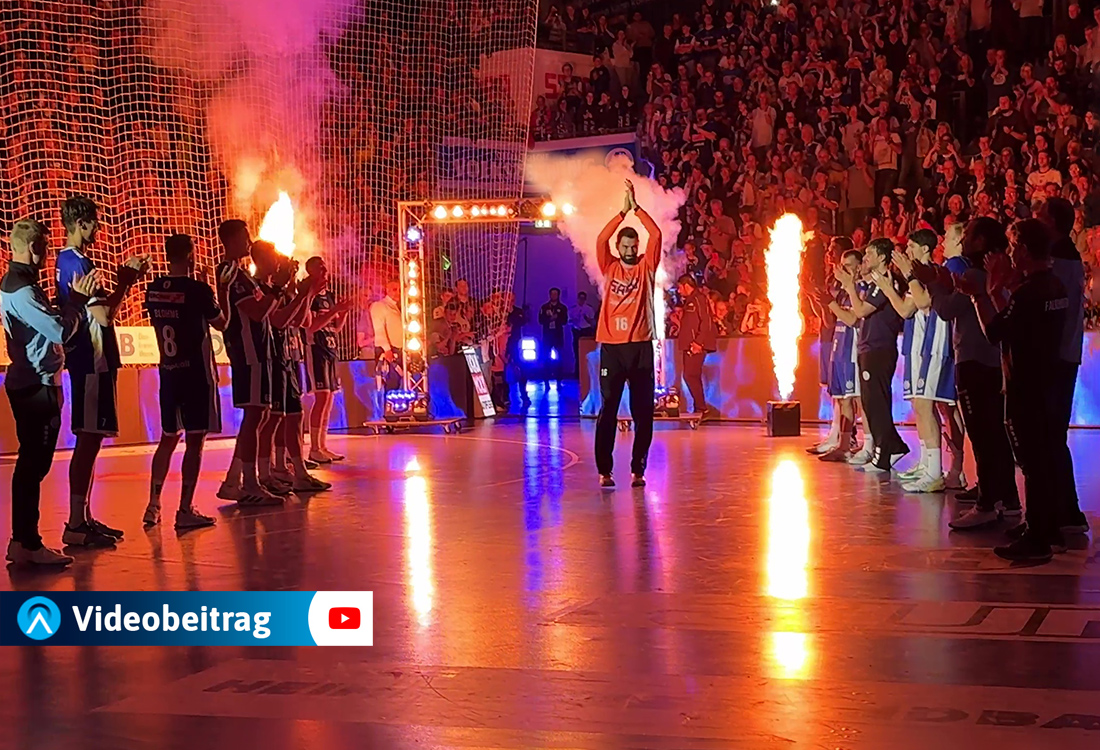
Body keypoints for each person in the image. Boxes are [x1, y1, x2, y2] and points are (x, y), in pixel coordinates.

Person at [971, 219, 1069, 563]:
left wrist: (983, 294)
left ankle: (1038, 538)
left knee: (1031, 462)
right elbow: (1019, 326)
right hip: (1047, 381)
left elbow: (995, 332)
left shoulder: (1029, 292)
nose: (1010, 253)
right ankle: (1047, 527)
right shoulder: (1054, 285)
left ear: (1024, 250)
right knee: (1044, 458)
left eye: (1013, 247)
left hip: (1025, 385)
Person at [55, 195, 150, 547]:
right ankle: (75, 522)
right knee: (88, 439)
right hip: (91, 360)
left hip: (90, 360)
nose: (98, 229)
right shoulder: (77, 262)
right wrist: (126, 281)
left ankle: (83, 517)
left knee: (91, 439)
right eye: (94, 222)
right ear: (81, 224)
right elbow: (104, 316)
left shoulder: (67, 260)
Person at [917, 219, 1023, 529]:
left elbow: (946, 310)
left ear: (981, 241)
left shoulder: (975, 275)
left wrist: (933, 284)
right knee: (994, 434)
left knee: (982, 434)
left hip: (975, 359)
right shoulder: (993, 272)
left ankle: (988, 503)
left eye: (968, 235)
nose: (963, 240)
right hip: (991, 360)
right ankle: (1006, 497)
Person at [2, 218, 97, 565]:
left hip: (33, 382)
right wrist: (77, 302)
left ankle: (22, 541)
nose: (46, 254)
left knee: (32, 464)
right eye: (43, 246)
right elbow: (59, 331)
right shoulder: (23, 291)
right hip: (35, 386)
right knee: (33, 465)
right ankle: (27, 543)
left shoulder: (18, 284)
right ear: (32, 248)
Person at [142, 234, 232, 529]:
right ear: (191, 256)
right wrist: (221, 290)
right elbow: (222, 323)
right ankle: (184, 508)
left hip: (169, 372)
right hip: (196, 375)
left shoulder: (153, 289)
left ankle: (153, 504)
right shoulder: (199, 290)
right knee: (195, 441)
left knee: (168, 438)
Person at [875, 229, 961, 492]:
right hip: (920, 346)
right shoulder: (918, 275)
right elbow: (908, 309)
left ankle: (938, 470)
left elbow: (915, 305)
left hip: (935, 346)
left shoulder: (931, 272)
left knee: (930, 406)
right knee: (922, 406)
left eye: (912, 247)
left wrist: (891, 287)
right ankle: (928, 464)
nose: (907, 252)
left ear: (925, 249)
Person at [594, 180, 661, 488]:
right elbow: (601, 238)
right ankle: (605, 471)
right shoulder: (609, 266)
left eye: (634, 246)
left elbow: (656, 234)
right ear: (618, 247)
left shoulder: (647, 266)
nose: (631, 251)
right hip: (612, 348)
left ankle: (638, 469)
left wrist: (637, 209)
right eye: (625, 246)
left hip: (641, 348)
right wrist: (622, 214)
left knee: (643, 412)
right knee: (608, 408)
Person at [250, 241, 330, 495]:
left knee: (294, 415)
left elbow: (302, 321)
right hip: (271, 358)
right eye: (278, 260)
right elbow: (280, 320)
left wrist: (307, 294)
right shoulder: (261, 288)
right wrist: (302, 294)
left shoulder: (282, 290)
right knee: (272, 419)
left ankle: (294, 470)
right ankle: (266, 472)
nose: (281, 264)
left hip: (288, 357)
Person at [216, 220, 282, 506]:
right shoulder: (229, 272)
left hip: (258, 351)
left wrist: (275, 288)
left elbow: (265, 311)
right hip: (248, 352)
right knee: (255, 414)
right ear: (231, 239)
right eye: (244, 236)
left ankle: (233, 480)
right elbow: (256, 312)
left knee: (261, 414)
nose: (249, 240)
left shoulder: (244, 274)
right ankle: (250, 482)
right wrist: (278, 289)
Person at [835, 237, 910, 472]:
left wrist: (849, 286)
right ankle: (891, 446)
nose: (865, 259)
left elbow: (859, 311)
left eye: (869, 254)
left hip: (879, 347)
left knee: (876, 402)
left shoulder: (885, 282)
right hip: (869, 347)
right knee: (871, 402)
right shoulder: (875, 284)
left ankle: (885, 452)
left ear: (881, 257)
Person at [1037, 198, 1089, 535]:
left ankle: (1061, 513)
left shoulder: (1059, 262)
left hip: (1055, 357)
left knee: (1049, 437)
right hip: (1063, 355)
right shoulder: (1067, 259)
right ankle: (1063, 511)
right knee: (1052, 437)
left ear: (1053, 222)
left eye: (1041, 216)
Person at [302, 256, 352, 464]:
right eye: (320, 268)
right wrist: (334, 311)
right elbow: (312, 327)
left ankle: (322, 445)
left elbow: (336, 328)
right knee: (321, 397)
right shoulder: (309, 296)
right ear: (310, 272)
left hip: (331, 350)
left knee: (329, 399)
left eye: (325, 268)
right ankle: (314, 448)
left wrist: (343, 313)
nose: (325, 271)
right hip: (316, 350)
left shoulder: (329, 296)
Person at [820, 246, 865, 462]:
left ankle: (868, 444)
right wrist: (822, 301)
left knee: (857, 399)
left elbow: (852, 319)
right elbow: (832, 321)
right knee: (842, 399)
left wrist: (829, 302)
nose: (844, 270)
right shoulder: (844, 293)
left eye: (848, 266)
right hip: (839, 349)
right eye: (842, 266)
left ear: (859, 267)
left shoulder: (860, 290)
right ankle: (843, 445)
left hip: (852, 351)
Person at [675, 274, 717, 419]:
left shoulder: (699, 299)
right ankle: (699, 407)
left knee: (690, 375)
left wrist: (699, 342)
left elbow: (706, 321)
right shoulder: (689, 301)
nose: (678, 291)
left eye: (680, 287)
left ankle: (702, 408)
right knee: (691, 375)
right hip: (689, 344)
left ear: (686, 285)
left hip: (696, 345)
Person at [370, 279, 403, 393]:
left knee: (398, 383)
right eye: (394, 289)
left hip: (399, 350)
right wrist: (387, 349)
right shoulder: (379, 305)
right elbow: (379, 329)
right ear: (387, 290)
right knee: (390, 384)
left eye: (400, 290)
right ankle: (387, 404)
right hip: (387, 351)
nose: (398, 292)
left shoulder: (400, 307)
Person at [538, 287, 568, 377]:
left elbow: (564, 321)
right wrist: (550, 319)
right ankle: (546, 377)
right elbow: (540, 320)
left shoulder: (562, 308)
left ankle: (559, 378)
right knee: (546, 356)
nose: (554, 296)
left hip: (558, 335)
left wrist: (557, 318)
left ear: (558, 295)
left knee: (559, 356)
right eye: (552, 294)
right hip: (547, 335)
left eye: (555, 294)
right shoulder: (544, 307)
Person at [568, 290, 596, 378]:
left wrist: (586, 318)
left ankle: (586, 372)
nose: (581, 300)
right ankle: (577, 372)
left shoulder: (589, 309)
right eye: (580, 298)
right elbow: (568, 321)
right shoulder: (573, 309)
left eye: (583, 299)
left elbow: (592, 322)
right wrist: (574, 320)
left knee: (586, 352)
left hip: (586, 330)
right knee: (576, 352)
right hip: (577, 331)